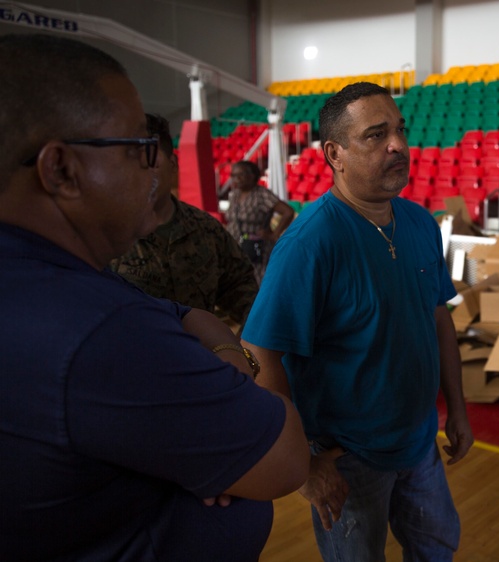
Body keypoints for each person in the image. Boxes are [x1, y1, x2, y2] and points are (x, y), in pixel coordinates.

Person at [0, 34, 310, 561]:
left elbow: (191, 312)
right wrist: (231, 400)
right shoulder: (102, 329)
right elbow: (284, 457)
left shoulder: (54, 279)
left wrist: (222, 359)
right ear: (62, 170)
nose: (153, 172)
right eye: (137, 150)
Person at [240, 81, 473, 562]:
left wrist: (458, 409)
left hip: (419, 441)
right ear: (335, 154)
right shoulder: (309, 243)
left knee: (436, 548)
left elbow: (438, 320)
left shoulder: (420, 223)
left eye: (400, 130)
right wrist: (301, 464)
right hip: (347, 458)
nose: (398, 145)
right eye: (376, 135)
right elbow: (259, 353)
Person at [110, 114, 259, 327]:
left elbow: (244, 293)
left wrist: (239, 342)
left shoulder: (206, 230)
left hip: (199, 348)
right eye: (130, 163)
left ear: (172, 164)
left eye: (150, 160)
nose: (140, 172)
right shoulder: (106, 236)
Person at [224, 159, 295, 283]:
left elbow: (288, 212)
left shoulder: (262, 194)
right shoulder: (234, 195)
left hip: (255, 249)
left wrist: (274, 234)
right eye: (233, 175)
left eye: (240, 175)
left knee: (256, 282)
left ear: (252, 176)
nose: (236, 179)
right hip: (235, 248)